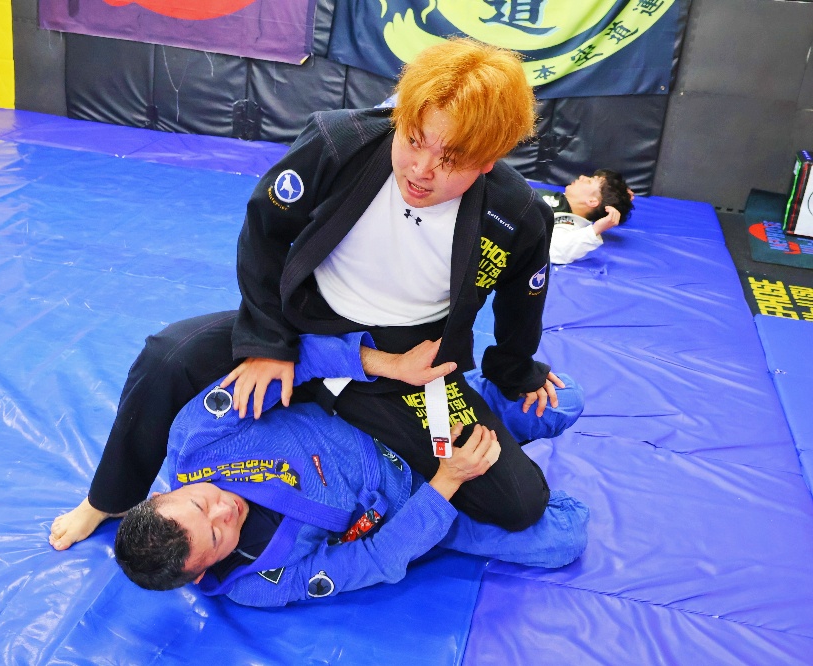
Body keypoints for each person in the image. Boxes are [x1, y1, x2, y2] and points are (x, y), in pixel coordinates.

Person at [51, 37, 561, 551]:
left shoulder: (515, 214)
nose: (421, 169)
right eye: (414, 139)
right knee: (167, 357)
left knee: (517, 501)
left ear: (488, 161)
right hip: (303, 326)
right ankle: (108, 498)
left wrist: (516, 373)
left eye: (451, 158)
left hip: (402, 361)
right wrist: (267, 343)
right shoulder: (340, 142)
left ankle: (440, 425)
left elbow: (522, 304)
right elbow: (264, 231)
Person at [113, 333, 588, 606]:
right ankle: (491, 453)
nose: (225, 511)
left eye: (201, 504)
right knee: (562, 540)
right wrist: (447, 482)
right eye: (217, 536)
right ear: (203, 574)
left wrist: (390, 364)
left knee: (565, 399)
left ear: (160, 495)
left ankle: (489, 427)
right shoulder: (258, 582)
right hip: (416, 498)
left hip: (386, 415)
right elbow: (374, 559)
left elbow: (291, 360)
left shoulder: (197, 440)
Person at [539, 170, 635, 265]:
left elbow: (555, 252)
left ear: (592, 201)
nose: (582, 177)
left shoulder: (565, 222)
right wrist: (621, 196)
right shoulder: (562, 201)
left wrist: (595, 229)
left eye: (589, 181)